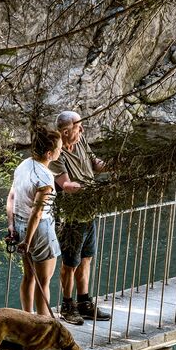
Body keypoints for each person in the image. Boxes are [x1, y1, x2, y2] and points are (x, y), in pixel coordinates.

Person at [50, 110, 111, 325]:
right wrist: (92, 189)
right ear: (65, 131)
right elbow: (66, 185)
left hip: (89, 210)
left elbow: (95, 163)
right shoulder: (56, 152)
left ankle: (84, 303)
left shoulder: (81, 140)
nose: (82, 130)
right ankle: (67, 306)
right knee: (70, 262)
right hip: (70, 216)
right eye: (78, 127)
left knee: (87, 257)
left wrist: (114, 164)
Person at [6, 127, 63, 315]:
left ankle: (27, 318)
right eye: (59, 149)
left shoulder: (23, 164)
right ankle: (42, 325)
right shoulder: (45, 176)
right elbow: (37, 213)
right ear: (49, 153)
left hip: (21, 224)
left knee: (28, 276)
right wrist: (28, 241)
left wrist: (12, 228)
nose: (60, 151)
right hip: (39, 230)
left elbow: (12, 198)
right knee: (43, 282)